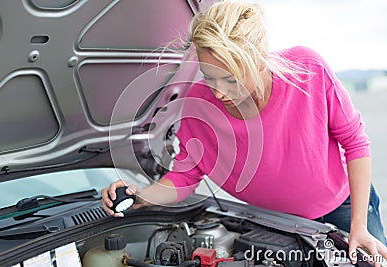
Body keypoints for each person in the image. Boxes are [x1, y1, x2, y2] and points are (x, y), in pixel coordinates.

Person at [102, 0, 387, 264]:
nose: (218, 91)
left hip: (345, 206)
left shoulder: (308, 70)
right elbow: (185, 176)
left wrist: (358, 226)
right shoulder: (199, 105)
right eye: (208, 76)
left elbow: (355, 142)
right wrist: (143, 195)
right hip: (277, 222)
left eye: (230, 79)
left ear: (259, 59)